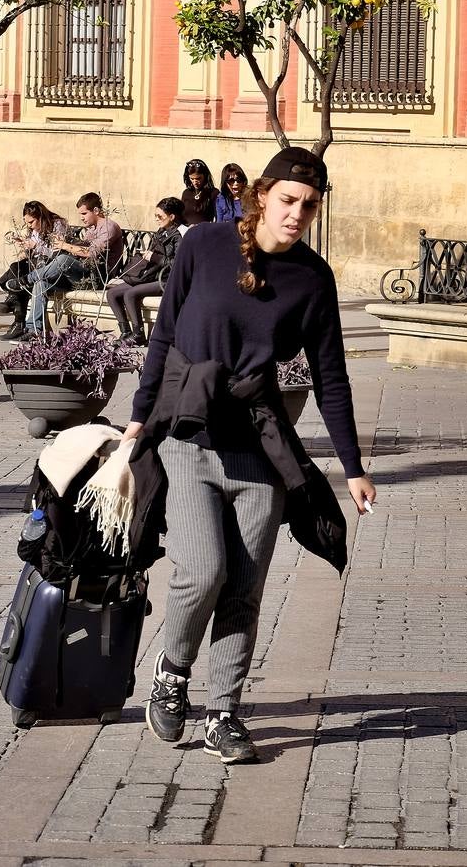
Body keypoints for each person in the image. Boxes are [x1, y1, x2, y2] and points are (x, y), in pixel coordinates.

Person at [120, 147, 376, 764]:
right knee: (201, 571)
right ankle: (172, 671)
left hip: (260, 451)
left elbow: (332, 375)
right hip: (189, 440)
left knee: (245, 588)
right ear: (262, 195)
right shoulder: (202, 246)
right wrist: (135, 421)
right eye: (288, 200)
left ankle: (224, 713)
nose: (296, 215)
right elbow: (163, 335)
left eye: (308, 206)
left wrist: (353, 466)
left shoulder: (313, 279)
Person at [6, 193, 123, 343]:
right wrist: (66, 243)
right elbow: (81, 250)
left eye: (84, 213)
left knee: (62, 260)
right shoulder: (92, 228)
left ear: (96, 210)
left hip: (96, 277)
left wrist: (65, 246)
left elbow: (92, 253)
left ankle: (26, 280)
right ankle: (33, 330)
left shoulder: (109, 227)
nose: (81, 218)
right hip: (79, 274)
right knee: (42, 282)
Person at [107, 197, 187, 347]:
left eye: (160, 216)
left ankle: (138, 334)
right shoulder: (161, 231)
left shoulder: (178, 236)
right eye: (155, 215)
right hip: (150, 274)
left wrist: (154, 257)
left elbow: (178, 264)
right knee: (112, 293)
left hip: (166, 279)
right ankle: (125, 332)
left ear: (172, 217)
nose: (156, 219)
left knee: (130, 294)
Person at [0, 201, 68, 342]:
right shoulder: (34, 229)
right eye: (27, 222)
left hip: (50, 267)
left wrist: (36, 246)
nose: (29, 225)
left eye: (32, 222)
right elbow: (32, 254)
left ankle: (18, 322)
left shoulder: (58, 225)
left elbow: (57, 252)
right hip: (36, 264)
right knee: (16, 267)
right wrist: (25, 248)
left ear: (40, 217)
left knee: (23, 283)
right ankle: (14, 304)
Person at [180, 159, 219, 225]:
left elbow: (218, 218)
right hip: (187, 232)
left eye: (198, 178)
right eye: (192, 179)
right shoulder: (186, 193)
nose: (195, 182)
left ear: (205, 176)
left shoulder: (213, 193)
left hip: (204, 232)